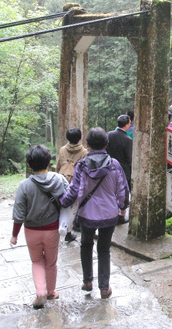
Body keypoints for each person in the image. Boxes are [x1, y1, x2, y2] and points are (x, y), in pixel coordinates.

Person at [60, 128, 130, 300]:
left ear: (88, 145)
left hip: (87, 215)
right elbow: (122, 189)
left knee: (86, 245)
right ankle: (104, 288)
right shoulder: (114, 164)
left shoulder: (82, 165)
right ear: (106, 144)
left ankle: (87, 282)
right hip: (109, 214)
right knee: (104, 249)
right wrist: (123, 205)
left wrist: (61, 204)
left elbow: (74, 190)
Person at [10, 145, 69, 309]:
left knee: (37, 261)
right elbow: (69, 199)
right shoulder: (59, 179)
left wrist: (14, 235)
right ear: (49, 162)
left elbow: (19, 214)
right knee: (51, 262)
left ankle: (40, 292)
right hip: (52, 229)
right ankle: (50, 292)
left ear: (29, 164)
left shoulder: (25, 185)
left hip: (32, 231)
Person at [56, 128, 88, 242]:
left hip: (62, 179)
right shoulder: (84, 152)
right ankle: (69, 231)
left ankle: (61, 227)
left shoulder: (62, 149)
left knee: (62, 206)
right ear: (80, 138)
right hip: (76, 182)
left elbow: (58, 164)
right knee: (73, 208)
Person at [107, 115, 133, 188]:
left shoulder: (109, 134)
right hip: (123, 171)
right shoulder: (128, 139)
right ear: (127, 125)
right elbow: (129, 158)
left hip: (109, 167)